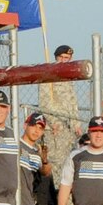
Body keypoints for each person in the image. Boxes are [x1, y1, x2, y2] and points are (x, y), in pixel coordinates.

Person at [39, 45, 82, 185]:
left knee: (68, 163)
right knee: (55, 163)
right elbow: (44, 103)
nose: (64, 61)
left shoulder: (68, 78)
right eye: (62, 58)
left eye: (67, 59)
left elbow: (73, 103)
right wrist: (53, 122)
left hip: (69, 129)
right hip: (56, 130)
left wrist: (76, 124)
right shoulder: (49, 76)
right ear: (56, 58)